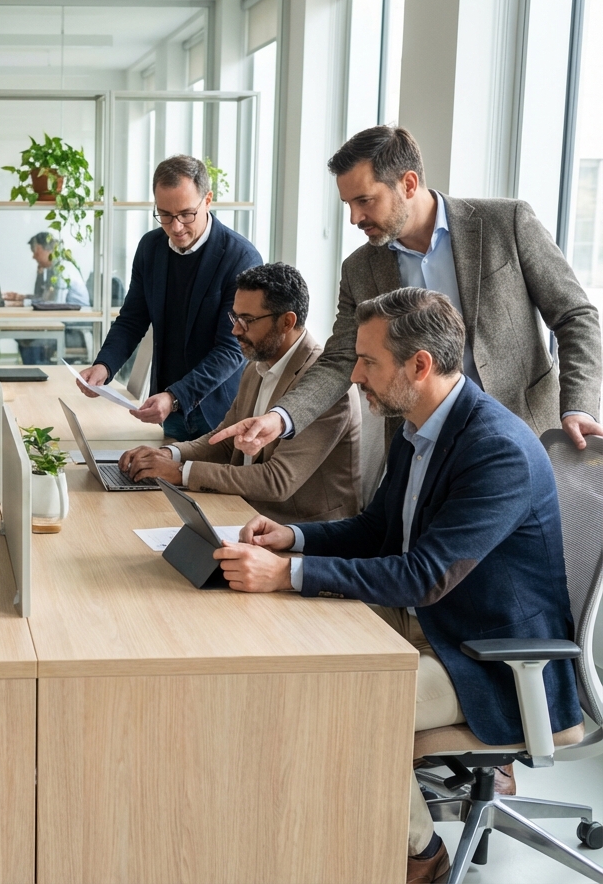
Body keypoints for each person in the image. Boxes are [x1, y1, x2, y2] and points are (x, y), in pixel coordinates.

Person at [213, 288, 582, 883]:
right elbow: (378, 530)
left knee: (344, 702)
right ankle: (296, 826)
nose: (355, 375)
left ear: (420, 365)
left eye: (368, 361)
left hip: (489, 659)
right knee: (282, 648)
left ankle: (420, 854)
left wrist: (287, 574)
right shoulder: (419, 427)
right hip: (434, 623)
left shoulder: (495, 449)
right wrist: (293, 540)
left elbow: (423, 575)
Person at [212, 125, 603, 459]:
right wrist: (280, 418)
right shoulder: (359, 268)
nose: (354, 217)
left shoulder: (506, 223)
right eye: (348, 203)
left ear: (409, 183)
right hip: (423, 448)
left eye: (365, 200)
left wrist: (580, 405)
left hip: (524, 431)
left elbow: (575, 316)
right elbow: (341, 360)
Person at [118, 262, 360, 523]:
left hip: (299, 529)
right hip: (244, 509)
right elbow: (224, 442)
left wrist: (179, 471)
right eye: (235, 318)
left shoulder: (325, 388)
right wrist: (168, 454)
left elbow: (276, 481)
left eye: (247, 321)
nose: (235, 330)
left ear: (287, 322)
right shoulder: (256, 365)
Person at [74, 155, 262, 441]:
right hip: (168, 408)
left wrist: (175, 397)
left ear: (207, 200)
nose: (175, 227)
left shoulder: (240, 258)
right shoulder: (151, 248)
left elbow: (231, 350)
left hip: (219, 412)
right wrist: (105, 365)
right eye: (165, 214)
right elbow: (132, 319)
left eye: (186, 214)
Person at [3, 232, 92, 364]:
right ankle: (36, 370)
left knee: (29, 340)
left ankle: (38, 371)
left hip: (73, 331)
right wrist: (38, 276)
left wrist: (22, 302)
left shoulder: (62, 270)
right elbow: (43, 298)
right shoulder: (54, 269)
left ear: (44, 249)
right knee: (23, 337)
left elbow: (53, 305)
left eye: (35, 251)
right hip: (62, 325)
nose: (33, 256)